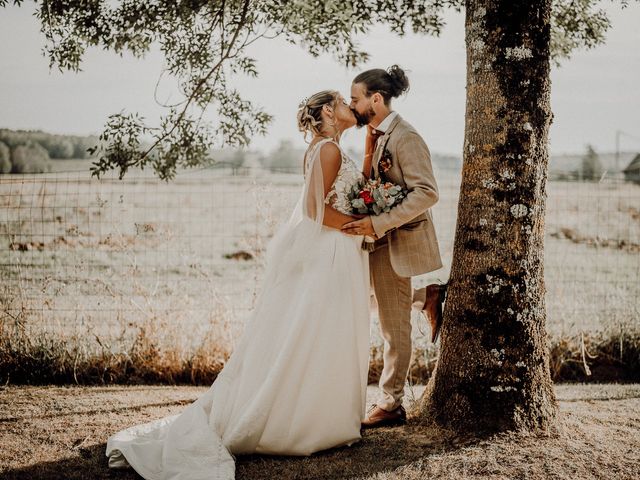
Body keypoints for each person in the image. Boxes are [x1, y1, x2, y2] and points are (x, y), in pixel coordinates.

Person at [105, 90, 371, 479]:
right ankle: (306, 421)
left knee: (310, 331)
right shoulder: (328, 149)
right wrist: (358, 225)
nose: (353, 108)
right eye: (345, 103)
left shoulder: (319, 147)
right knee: (319, 330)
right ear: (329, 111)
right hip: (331, 249)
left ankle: (315, 414)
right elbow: (316, 210)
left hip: (332, 249)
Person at [343, 65, 446, 429]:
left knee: (392, 324)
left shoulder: (406, 137)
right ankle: (426, 297)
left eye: (355, 98)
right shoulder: (375, 134)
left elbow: (428, 192)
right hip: (376, 242)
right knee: (362, 304)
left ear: (375, 98)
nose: (350, 104)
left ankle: (391, 403)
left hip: (395, 242)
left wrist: (379, 222)